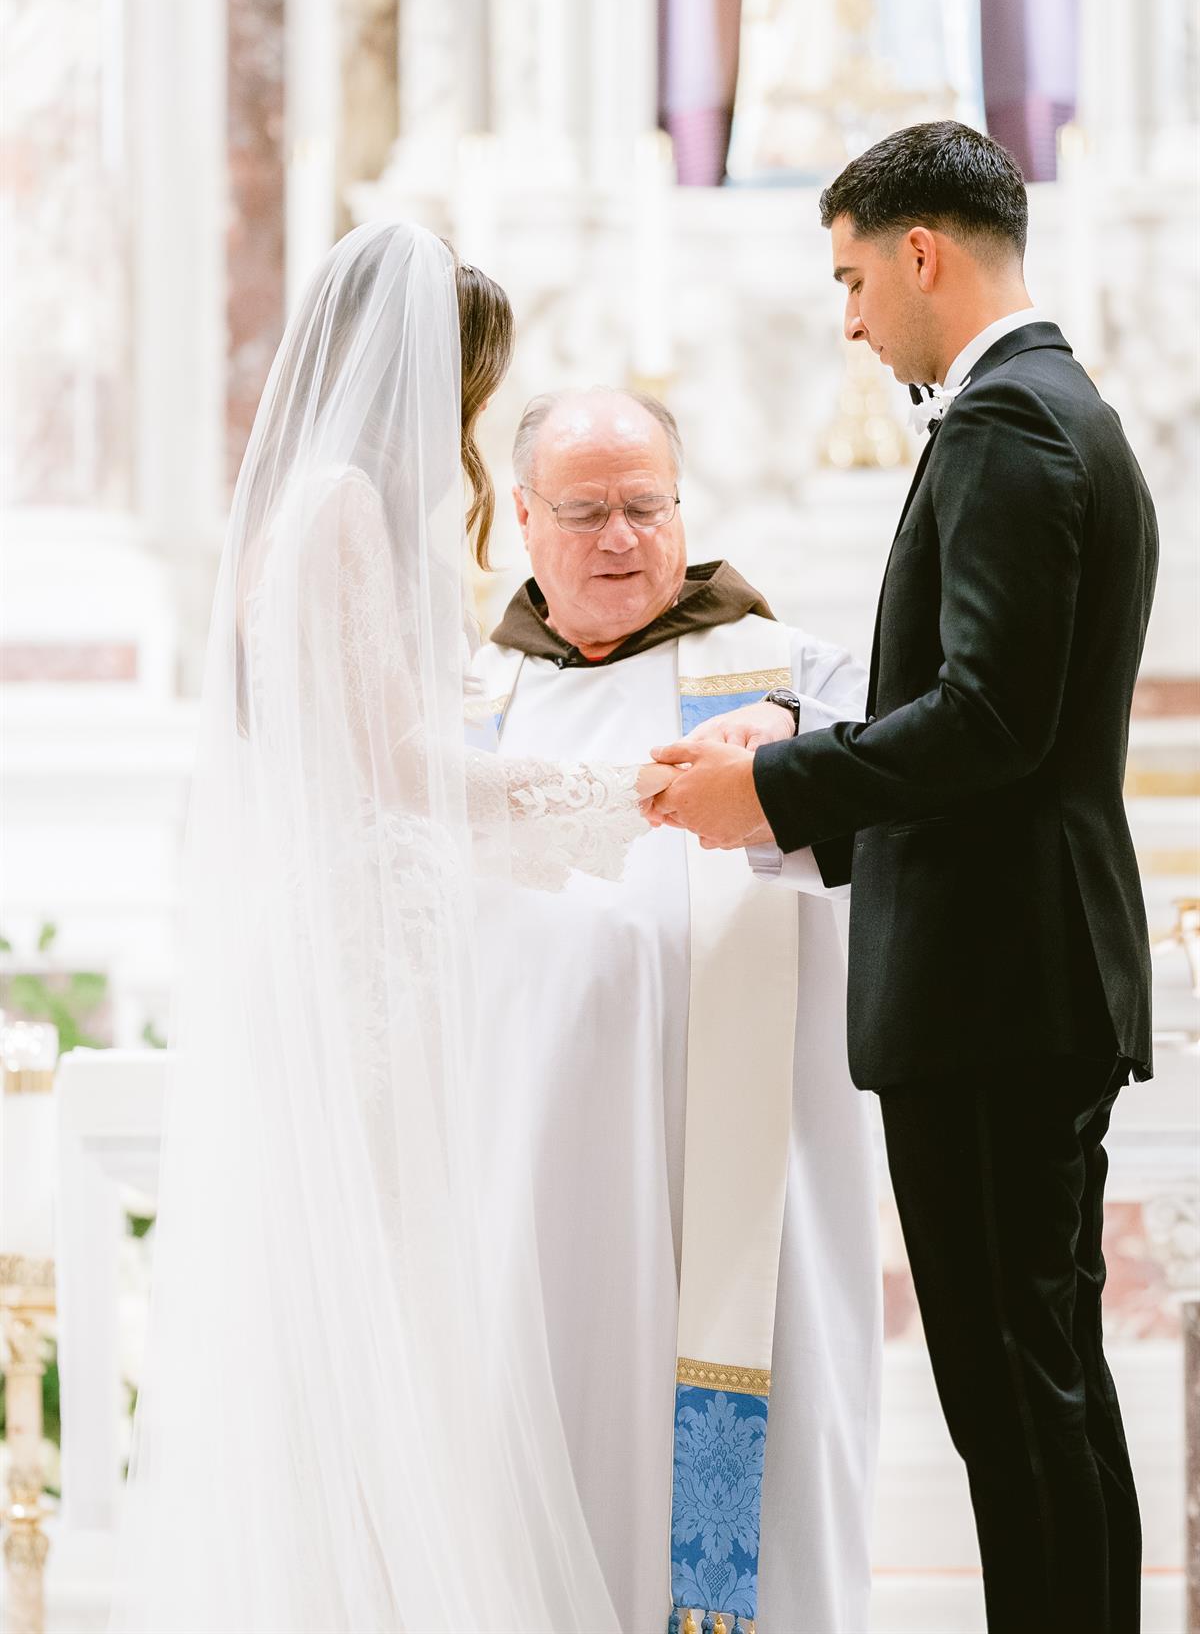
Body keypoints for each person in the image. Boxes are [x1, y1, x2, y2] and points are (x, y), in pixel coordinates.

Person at [108, 222, 672, 1634]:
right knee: (389, 1288)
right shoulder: (343, 510)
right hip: (373, 947)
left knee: (357, 1290)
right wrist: (612, 792)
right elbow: (398, 767)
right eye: (462, 381)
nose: (461, 414)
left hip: (347, 926)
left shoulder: (300, 508)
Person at [648, 121, 1157, 1634]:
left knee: (1013, 1398)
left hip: (993, 984)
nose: (852, 321)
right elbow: (989, 705)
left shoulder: (1005, 427)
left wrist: (771, 789)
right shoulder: (1066, 409)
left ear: (920, 253)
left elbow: (992, 721)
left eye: (854, 279)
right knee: (1048, 1385)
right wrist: (805, 740)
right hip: (1030, 973)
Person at [470, 385, 881, 1633]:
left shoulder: (782, 671)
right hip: (528, 1170)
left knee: (757, 1441)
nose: (622, 539)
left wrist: (795, 736)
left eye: (646, 507)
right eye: (586, 511)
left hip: (744, 1183)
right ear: (524, 519)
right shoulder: (472, 696)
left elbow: (911, 760)